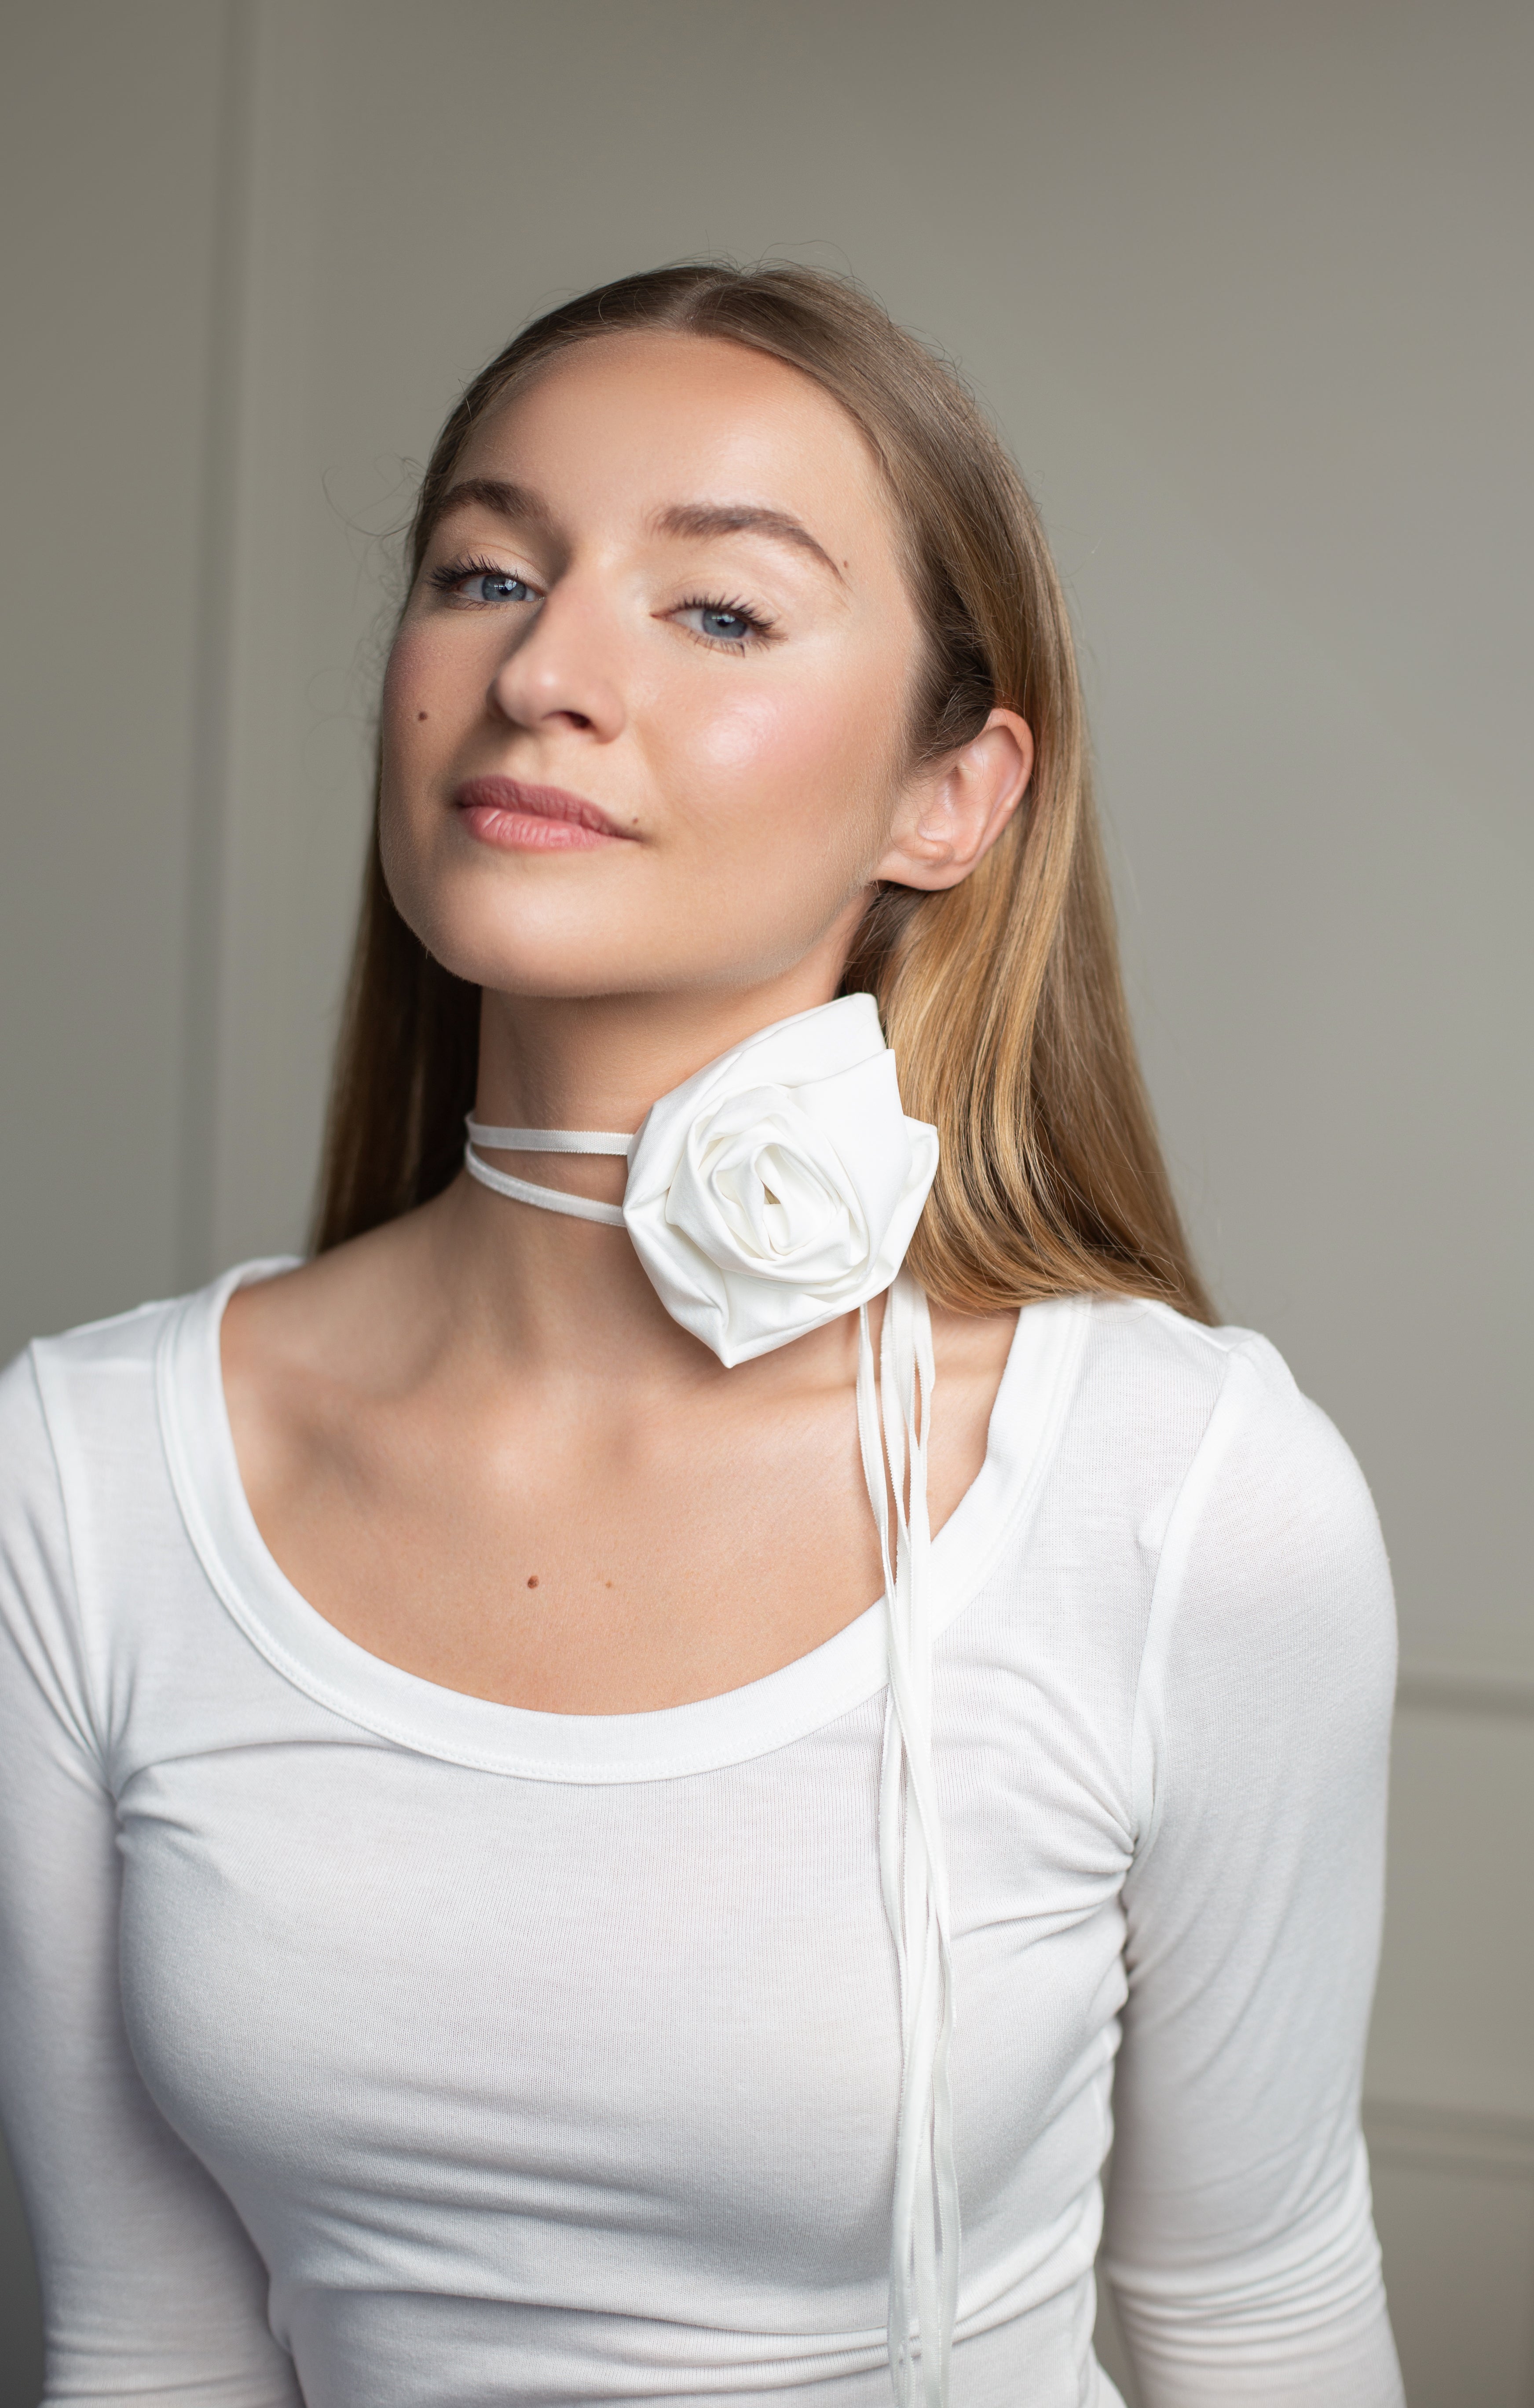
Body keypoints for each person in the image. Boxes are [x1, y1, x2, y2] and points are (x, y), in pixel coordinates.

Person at [0, 263, 1404, 2408]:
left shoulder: (1191, 1495)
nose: (542, 673)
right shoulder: (81, 1475)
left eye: (721, 610)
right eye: (485, 574)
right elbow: (140, 2337)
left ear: (952, 796)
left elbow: (1262, 2314)